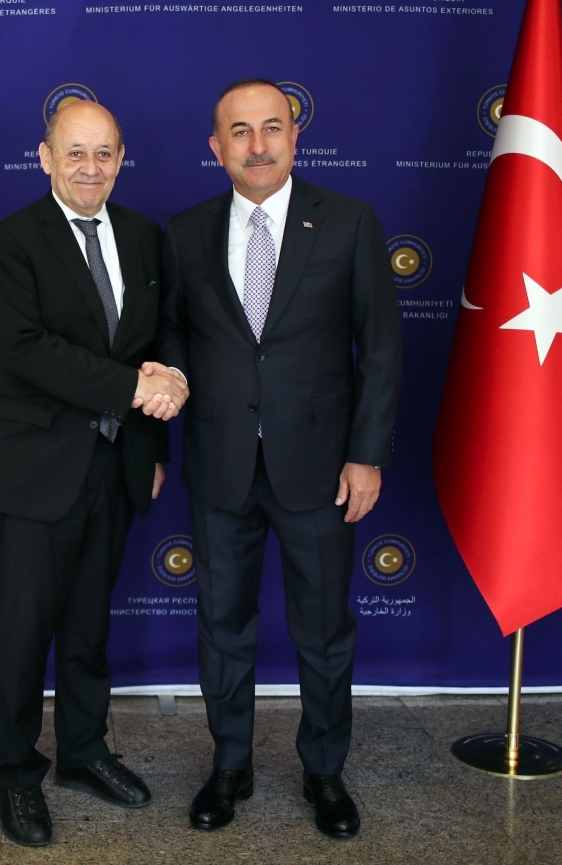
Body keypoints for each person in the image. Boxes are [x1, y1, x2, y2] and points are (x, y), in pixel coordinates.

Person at [153, 78, 401, 839]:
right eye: (239, 131)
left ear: (296, 137)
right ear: (217, 147)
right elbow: (169, 343)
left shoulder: (350, 222)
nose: (256, 145)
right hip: (221, 466)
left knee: (324, 631)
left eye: (271, 128)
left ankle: (324, 770)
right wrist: (160, 416)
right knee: (221, 624)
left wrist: (366, 455)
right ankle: (230, 766)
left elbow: (381, 348)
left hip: (320, 470)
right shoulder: (185, 232)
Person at [0, 99, 188, 848]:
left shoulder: (142, 235)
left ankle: (85, 752)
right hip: (36, 469)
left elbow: (156, 341)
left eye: (103, 153)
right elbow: (28, 349)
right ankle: (17, 773)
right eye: (75, 152)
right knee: (25, 634)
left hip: (116, 465)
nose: (89, 167)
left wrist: (154, 444)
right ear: (45, 156)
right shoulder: (10, 241)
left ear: (121, 157)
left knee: (89, 629)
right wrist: (133, 388)